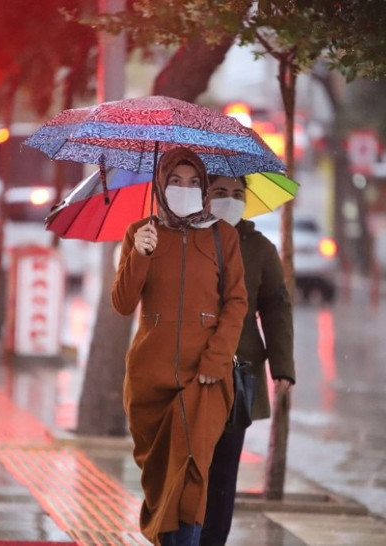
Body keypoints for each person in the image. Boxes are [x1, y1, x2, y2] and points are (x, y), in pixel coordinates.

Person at [111, 147, 248, 545]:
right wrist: (140, 255)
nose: (184, 189)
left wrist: (216, 361)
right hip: (148, 380)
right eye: (175, 181)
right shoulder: (141, 233)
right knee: (158, 479)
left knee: (192, 470)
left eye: (193, 183)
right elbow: (121, 304)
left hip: (204, 380)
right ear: (160, 185)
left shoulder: (224, 236)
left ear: (205, 189)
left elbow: (237, 302)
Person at [201, 176, 295, 546]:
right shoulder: (187, 240)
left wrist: (282, 367)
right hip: (188, 373)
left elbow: (276, 306)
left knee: (223, 475)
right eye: (220, 193)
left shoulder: (259, 248)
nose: (230, 201)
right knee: (186, 470)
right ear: (204, 196)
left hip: (238, 375)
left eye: (237, 195)